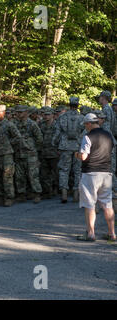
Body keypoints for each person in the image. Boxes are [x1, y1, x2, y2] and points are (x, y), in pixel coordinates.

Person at [75, 113, 115, 242]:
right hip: (106, 174)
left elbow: (84, 157)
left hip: (91, 173)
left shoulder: (88, 137)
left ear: (89, 123)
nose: (85, 127)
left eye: (85, 125)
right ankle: (112, 233)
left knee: (90, 204)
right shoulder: (108, 135)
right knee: (107, 204)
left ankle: (91, 234)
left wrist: (77, 154)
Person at [51, 97, 84, 203]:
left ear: (69, 104)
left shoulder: (62, 117)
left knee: (64, 170)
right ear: (78, 105)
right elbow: (85, 133)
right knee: (78, 171)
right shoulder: (82, 118)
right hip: (78, 147)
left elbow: (57, 132)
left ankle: (64, 193)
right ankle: (76, 194)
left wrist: (54, 143)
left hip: (65, 147)